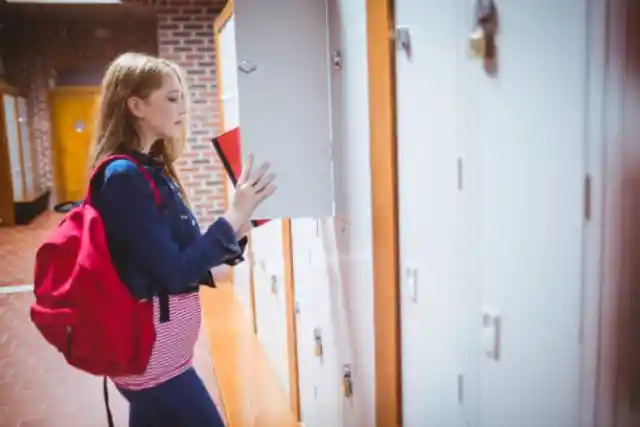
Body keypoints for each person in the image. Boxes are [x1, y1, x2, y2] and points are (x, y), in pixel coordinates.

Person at [89, 52, 276, 426]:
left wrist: (240, 224)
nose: (183, 109)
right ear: (136, 105)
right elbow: (174, 272)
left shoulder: (149, 169)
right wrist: (233, 214)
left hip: (161, 356)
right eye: (172, 98)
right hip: (154, 361)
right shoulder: (124, 176)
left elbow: (180, 254)